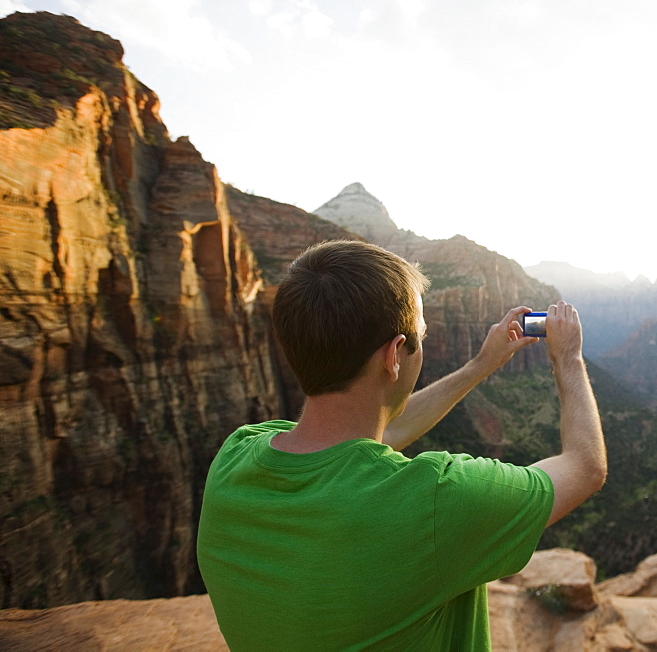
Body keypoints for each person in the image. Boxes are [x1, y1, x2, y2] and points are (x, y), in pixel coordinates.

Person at [197, 240, 606, 650]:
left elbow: (374, 434)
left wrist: (480, 366)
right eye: (420, 336)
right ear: (394, 354)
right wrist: (567, 358)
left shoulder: (234, 457)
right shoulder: (436, 499)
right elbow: (585, 466)